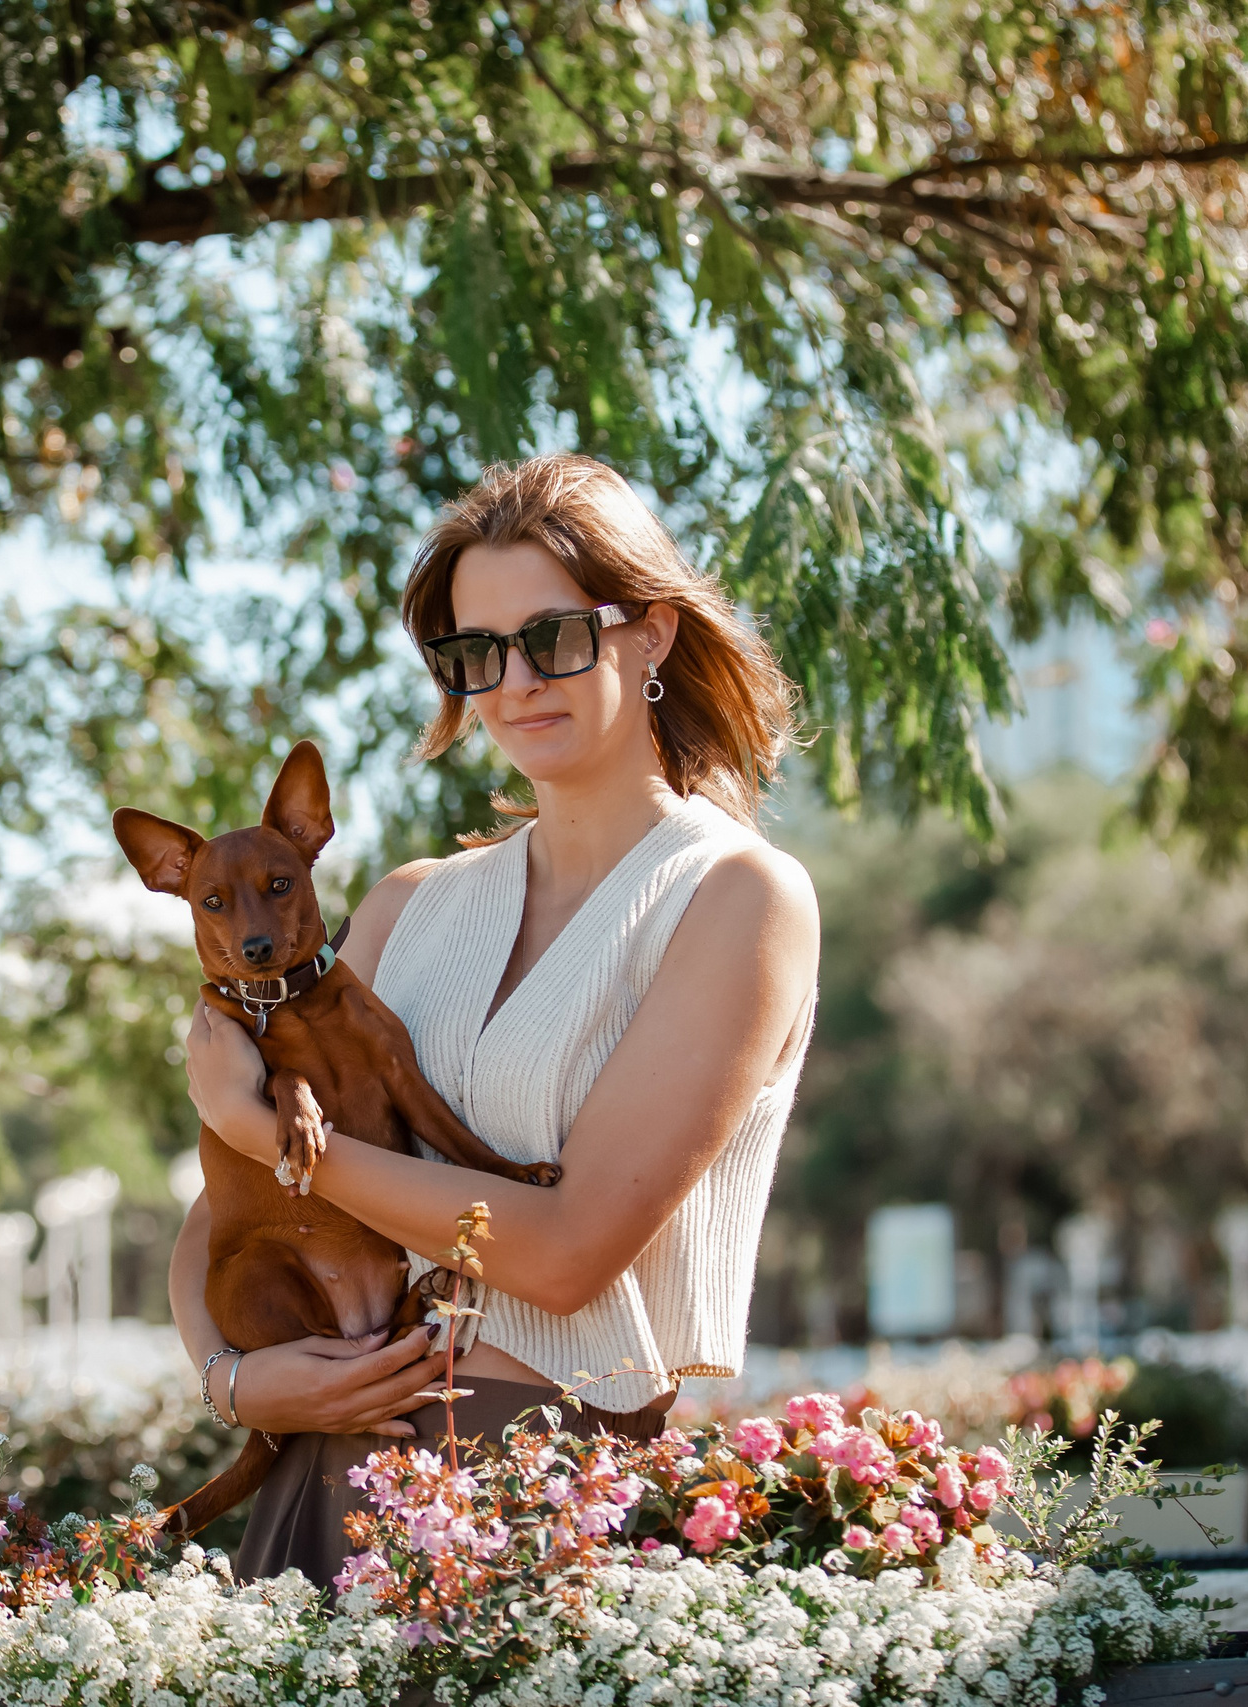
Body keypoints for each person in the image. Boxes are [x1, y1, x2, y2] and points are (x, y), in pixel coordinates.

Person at [170, 453, 820, 1584]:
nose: (515, 680)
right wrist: (232, 1376)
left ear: (651, 633)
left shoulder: (733, 898)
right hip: (321, 1485)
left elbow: (565, 1255)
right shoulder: (409, 907)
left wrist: (265, 1135)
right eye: (475, 653)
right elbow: (219, 1218)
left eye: (554, 637)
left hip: (540, 1517)